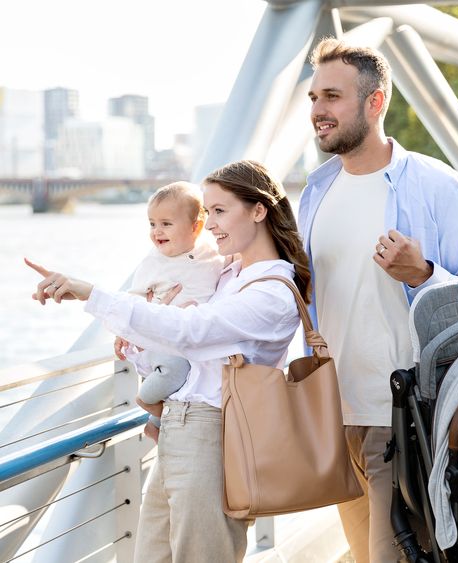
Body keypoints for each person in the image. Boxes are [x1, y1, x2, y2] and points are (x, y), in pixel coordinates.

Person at [26, 159, 311, 563]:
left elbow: (188, 331)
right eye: (207, 211)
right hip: (180, 426)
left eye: (219, 211)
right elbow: (178, 346)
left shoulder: (271, 292)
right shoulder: (225, 275)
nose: (208, 224)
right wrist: (138, 342)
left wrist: (91, 294)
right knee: (151, 555)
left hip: (212, 433)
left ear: (259, 211)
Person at [299, 38, 458, 563]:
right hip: (335, 419)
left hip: (405, 417)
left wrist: (425, 274)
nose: (318, 110)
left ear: (375, 102)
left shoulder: (436, 185)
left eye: (332, 96)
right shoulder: (315, 192)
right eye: (314, 96)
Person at [117, 181, 223, 431]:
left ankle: (154, 425)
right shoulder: (153, 263)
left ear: (196, 228)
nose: (157, 231)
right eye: (152, 224)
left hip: (193, 340)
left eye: (166, 224)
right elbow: (132, 299)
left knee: (188, 380)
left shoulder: (212, 253)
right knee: (175, 369)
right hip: (165, 343)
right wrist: (123, 332)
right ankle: (146, 400)